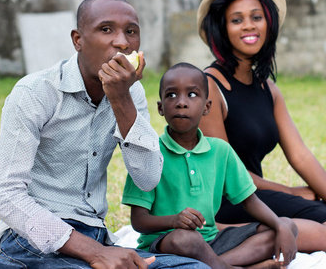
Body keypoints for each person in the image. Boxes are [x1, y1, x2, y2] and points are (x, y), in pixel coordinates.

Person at [0, 0, 210, 269]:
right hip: (32, 241)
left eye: (131, 32)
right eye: (106, 29)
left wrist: (120, 100)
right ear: (78, 40)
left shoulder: (131, 93)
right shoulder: (35, 93)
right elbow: (3, 195)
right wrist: (94, 252)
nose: (122, 42)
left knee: (195, 268)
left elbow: (148, 178)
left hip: (96, 235)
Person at [196, 0, 326, 254]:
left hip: (258, 196)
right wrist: (289, 192)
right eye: (236, 19)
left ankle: (257, 234)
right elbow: (227, 173)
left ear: (268, 22)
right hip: (226, 201)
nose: (249, 25)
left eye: (256, 16)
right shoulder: (210, 85)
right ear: (222, 29)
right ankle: (219, 233)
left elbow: (300, 156)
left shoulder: (268, 89)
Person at [122, 63, 298, 269]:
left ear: (206, 107)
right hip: (168, 244)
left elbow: (250, 201)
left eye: (192, 95)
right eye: (171, 95)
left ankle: (218, 265)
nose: (181, 103)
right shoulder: (150, 153)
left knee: (287, 226)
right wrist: (174, 221)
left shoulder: (220, 151)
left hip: (213, 241)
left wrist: (280, 226)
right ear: (160, 108)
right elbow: (139, 221)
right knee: (185, 239)